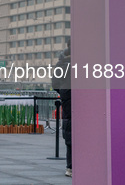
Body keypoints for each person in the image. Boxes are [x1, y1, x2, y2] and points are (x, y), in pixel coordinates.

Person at [52, 38, 72, 178]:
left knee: (70, 133)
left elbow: (55, 83)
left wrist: (64, 93)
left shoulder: (61, 62)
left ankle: (70, 167)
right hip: (76, 98)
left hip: (67, 99)